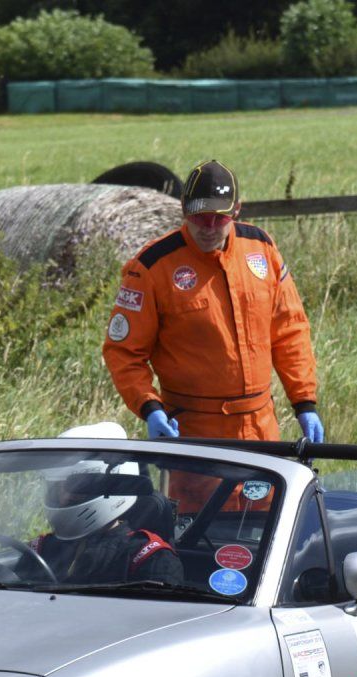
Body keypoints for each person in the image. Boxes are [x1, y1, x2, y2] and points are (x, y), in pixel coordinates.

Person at [100, 159, 324, 484]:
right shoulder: (151, 268)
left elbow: (290, 332)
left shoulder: (262, 249)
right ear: (183, 210)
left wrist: (304, 402)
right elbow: (123, 353)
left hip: (262, 431)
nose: (208, 227)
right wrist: (150, 408)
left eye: (218, 218)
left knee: (265, 527)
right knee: (197, 529)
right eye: (199, 217)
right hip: (194, 438)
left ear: (237, 212)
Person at [34, 458, 184, 586]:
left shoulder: (149, 557)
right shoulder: (44, 548)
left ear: (113, 487)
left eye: (75, 488)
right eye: (57, 488)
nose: (64, 498)